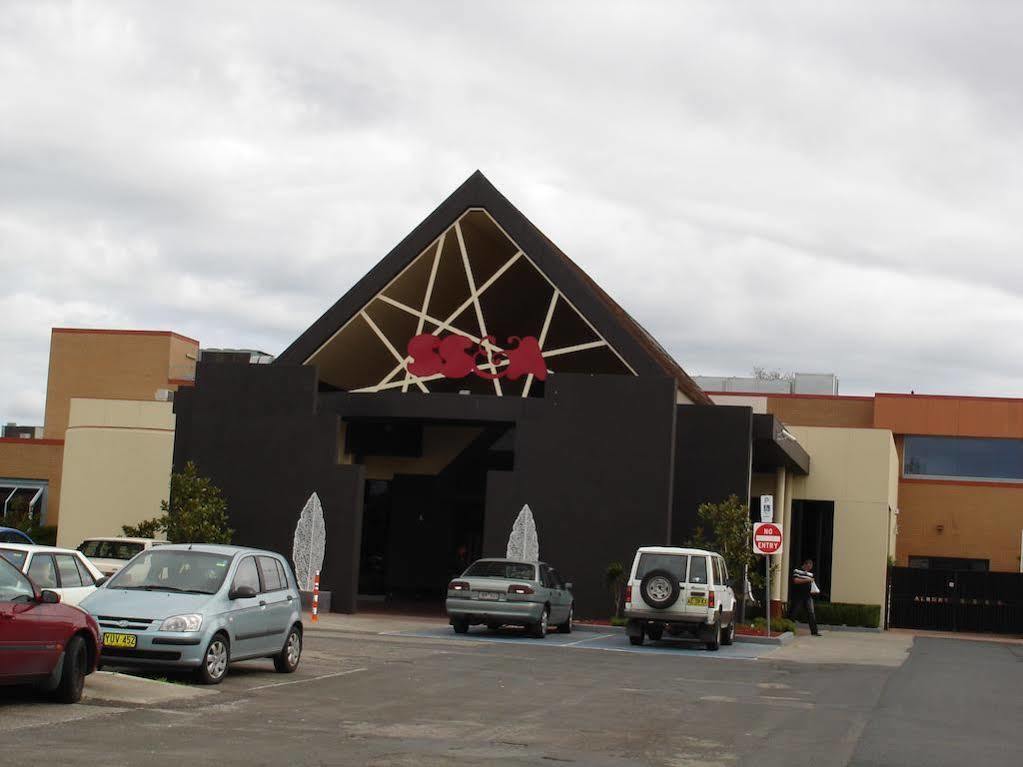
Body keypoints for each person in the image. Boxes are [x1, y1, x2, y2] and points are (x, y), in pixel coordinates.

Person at [786, 558, 820, 636]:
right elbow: (796, 580)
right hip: (798, 596)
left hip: (808, 596)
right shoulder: (797, 570)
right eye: (808, 567)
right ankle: (788, 630)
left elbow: (812, 583)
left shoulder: (810, 574)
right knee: (794, 612)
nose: (809, 569)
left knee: (811, 613)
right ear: (805, 564)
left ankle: (814, 631)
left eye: (810, 568)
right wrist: (807, 580)